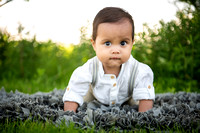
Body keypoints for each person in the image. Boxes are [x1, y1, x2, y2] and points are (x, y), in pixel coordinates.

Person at [63, 7, 155, 112]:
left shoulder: (138, 70)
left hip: (126, 98)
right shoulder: (89, 69)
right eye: (107, 43)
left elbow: (145, 96)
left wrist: (144, 117)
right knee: (83, 100)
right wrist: (69, 115)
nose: (116, 50)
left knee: (139, 99)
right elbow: (74, 91)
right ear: (94, 44)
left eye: (123, 43)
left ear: (132, 44)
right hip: (95, 96)